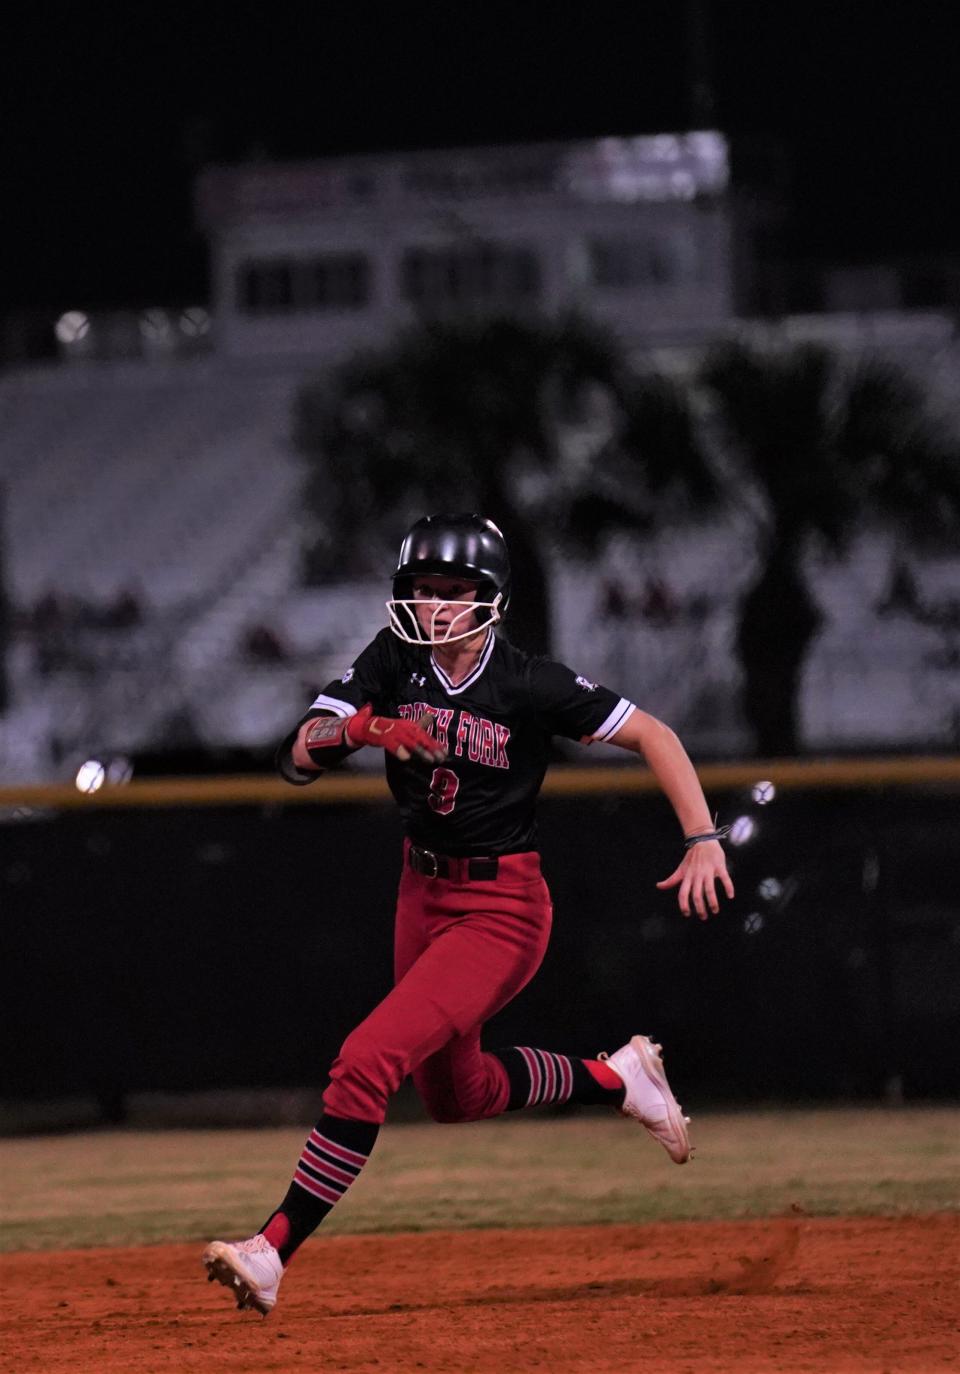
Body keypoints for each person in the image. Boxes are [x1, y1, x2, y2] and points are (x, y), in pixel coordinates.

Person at [203, 513, 734, 1316]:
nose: (432, 606)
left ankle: (272, 1250)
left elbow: (654, 734)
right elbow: (296, 755)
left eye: (450, 591)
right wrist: (363, 726)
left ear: (489, 597)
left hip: (501, 906)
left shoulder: (526, 680)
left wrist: (702, 836)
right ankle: (616, 1078)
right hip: (420, 892)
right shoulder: (395, 660)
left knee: (365, 1059)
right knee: (457, 1094)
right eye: (421, 590)